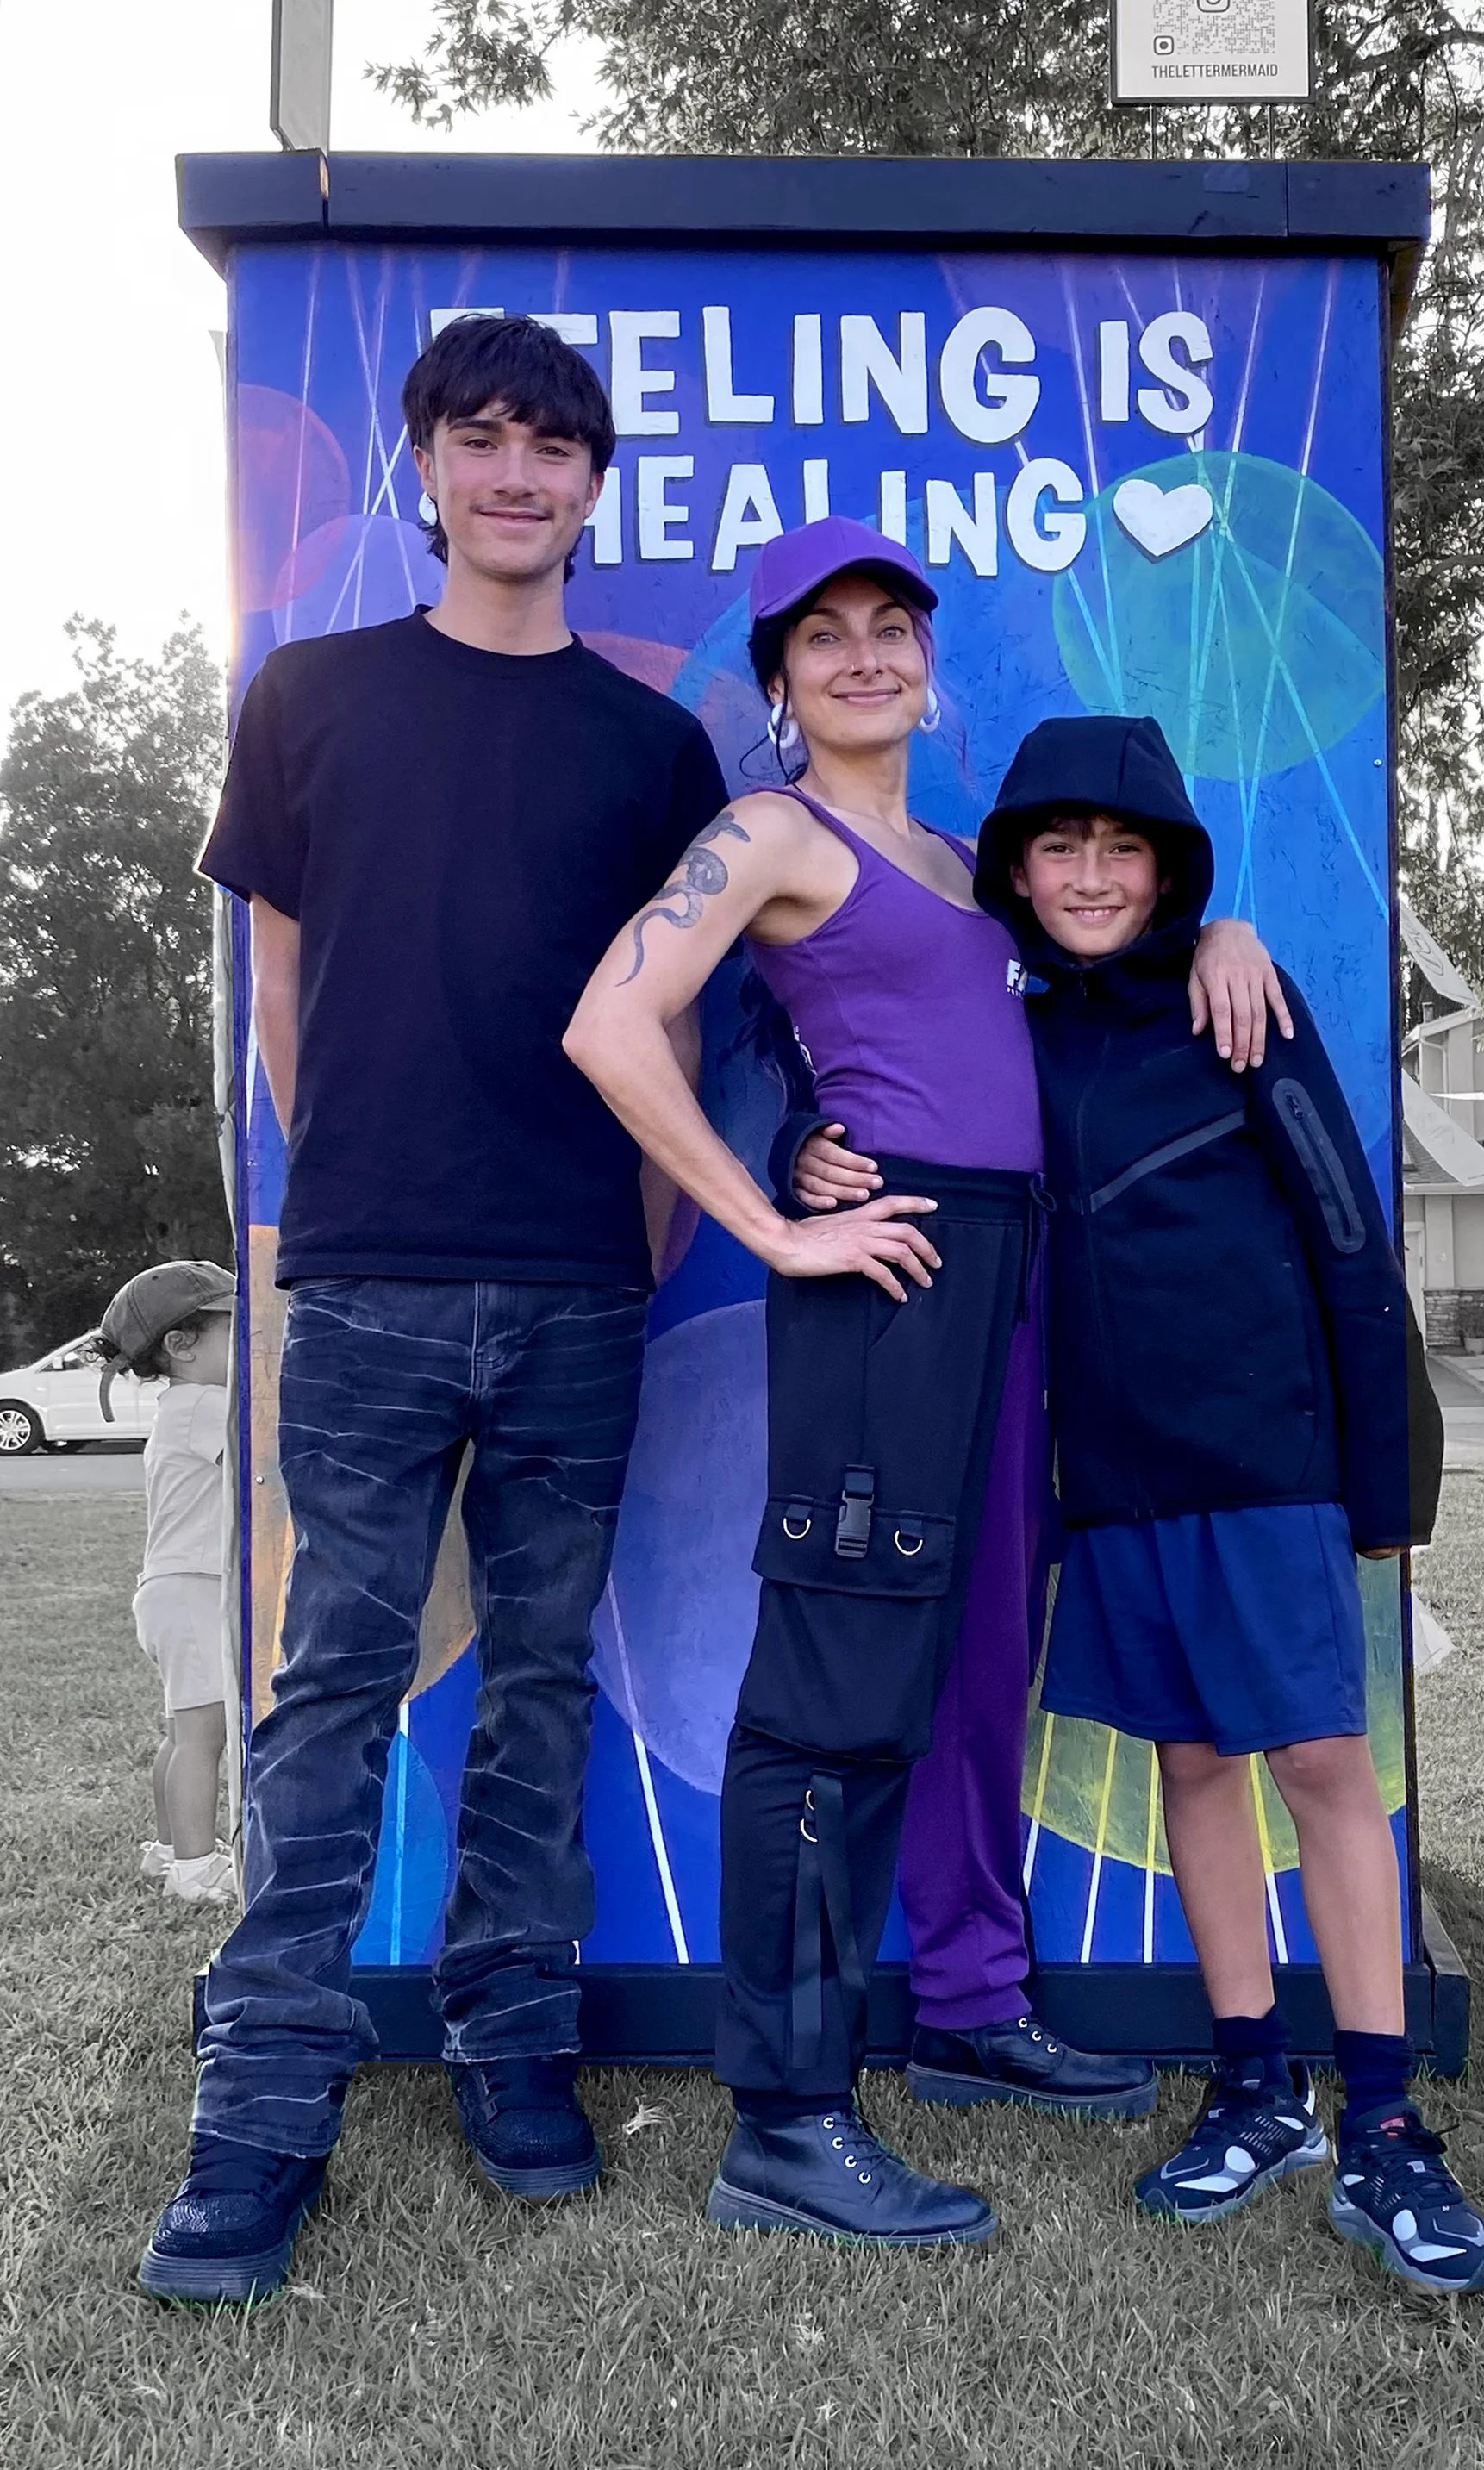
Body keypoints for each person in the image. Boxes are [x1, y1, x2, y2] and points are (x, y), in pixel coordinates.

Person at [564, 517, 1286, 2248]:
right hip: (889, 1284)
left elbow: (1077, 986)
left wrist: (1222, 933)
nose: (866, 654)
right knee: (833, 1687)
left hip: (1015, 1283)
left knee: (975, 1663)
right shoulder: (766, 831)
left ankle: (969, 2002)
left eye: (892, 624)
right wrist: (774, 1215)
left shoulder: (967, 867)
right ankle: (786, 2117)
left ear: (926, 657)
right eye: (824, 634)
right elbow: (611, 1022)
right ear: (780, 677)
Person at [140, 315, 727, 2306]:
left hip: (577, 1289)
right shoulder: (307, 698)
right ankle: (262, 2096)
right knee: (331, 1682)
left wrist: (638, 1229)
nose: (514, 473)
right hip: (369, 1284)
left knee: (541, 1684)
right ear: (425, 466)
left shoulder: (650, 751)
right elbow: (280, 989)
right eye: (478, 437)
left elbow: (675, 1028)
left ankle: (510, 2035)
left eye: (551, 445)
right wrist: (359, 1193)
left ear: (591, 482)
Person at [950, 713, 1484, 2292]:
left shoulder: (1236, 1000)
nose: (1090, 874)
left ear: (1170, 872)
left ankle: (1384, 2125)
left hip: (1268, 1463)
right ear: (1015, 870)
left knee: (1322, 1766)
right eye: (1059, 846)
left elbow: (1346, 1229)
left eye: (1123, 847)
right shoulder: (1007, 1031)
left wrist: (1386, 1477)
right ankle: (1254, 2088)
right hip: (1112, 1482)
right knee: (1192, 1768)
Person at [97, 1261, 236, 1908]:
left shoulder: (179, 1407)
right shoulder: (205, 1406)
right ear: (181, 1345)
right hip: (194, 1588)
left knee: (184, 1732)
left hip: (173, 1588)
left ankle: (167, 1849)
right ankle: (195, 1868)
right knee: (205, 1735)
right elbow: (271, 1456)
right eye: (233, 1332)